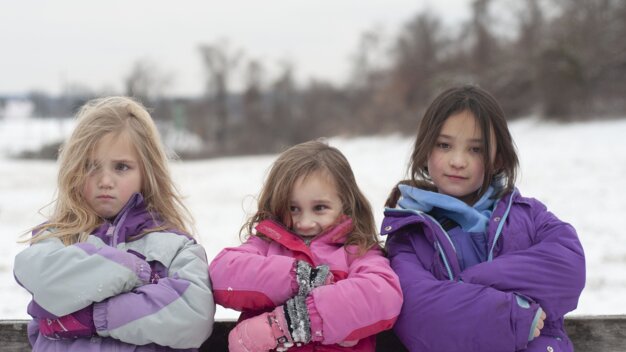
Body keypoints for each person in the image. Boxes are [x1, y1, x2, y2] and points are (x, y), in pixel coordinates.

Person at [382, 85, 585, 352]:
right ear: (426, 150)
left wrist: (460, 287)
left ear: (498, 158)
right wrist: (511, 315)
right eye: (444, 145)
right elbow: (418, 315)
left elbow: (567, 270)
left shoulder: (530, 216)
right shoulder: (409, 235)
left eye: (475, 150)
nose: (457, 161)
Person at [13, 96, 215, 351]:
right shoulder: (57, 237)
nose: (105, 180)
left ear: (147, 172)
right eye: (91, 166)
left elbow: (191, 317)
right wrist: (138, 272)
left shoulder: (175, 248)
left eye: (121, 167)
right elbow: (46, 282)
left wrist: (94, 317)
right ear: (74, 170)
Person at [209, 140, 403, 352]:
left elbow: (382, 295)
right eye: (293, 208)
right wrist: (301, 279)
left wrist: (288, 324)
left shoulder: (358, 251)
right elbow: (223, 273)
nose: (304, 222)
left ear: (346, 203)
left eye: (320, 208)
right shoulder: (266, 244)